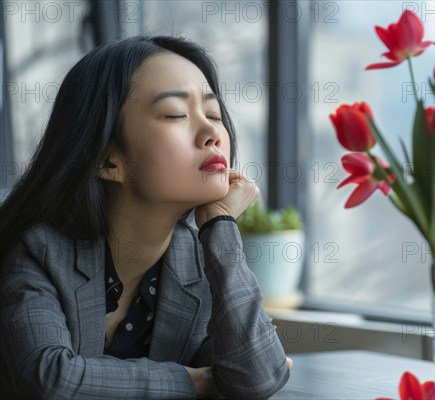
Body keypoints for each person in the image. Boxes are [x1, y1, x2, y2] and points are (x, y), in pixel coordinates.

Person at [0, 35, 292, 399]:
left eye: (214, 114)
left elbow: (257, 378)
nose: (212, 134)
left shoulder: (200, 258)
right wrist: (197, 381)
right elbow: (50, 380)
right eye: (175, 114)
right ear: (108, 160)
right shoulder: (38, 251)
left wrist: (221, 225)